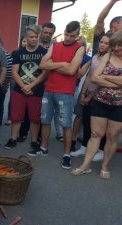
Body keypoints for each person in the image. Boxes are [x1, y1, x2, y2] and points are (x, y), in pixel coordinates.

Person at [30, 21, 85, 170]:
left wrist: (53, 64)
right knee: (45, 120)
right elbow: (42, 64)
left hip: (66, 92)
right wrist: (63, 64)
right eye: (66, 34)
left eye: (72, 36)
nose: (68, 38)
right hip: (49, 89)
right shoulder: (55, 45)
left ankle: (66, 155)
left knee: (66, 124)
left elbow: (71, 70)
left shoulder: (80, 47)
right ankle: (43, 148)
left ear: (77, 35)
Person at [71, 31, 122, 178]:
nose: (116, 48)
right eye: (114, 45)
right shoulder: (107, 56)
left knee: (112, 137)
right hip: (100, 102)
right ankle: (85, 165)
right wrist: (116, 82)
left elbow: (100, 77)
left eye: (119, 45)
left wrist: (105, 76)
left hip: (119, 106)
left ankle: (104, 167)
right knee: (95, 134)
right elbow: (94, 78)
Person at [4, 25, 47, 150]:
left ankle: (34, 141)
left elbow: (45, 73)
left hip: (37, 90)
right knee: (16, 117)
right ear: (26, 38)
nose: (34, 39)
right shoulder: (18, 53)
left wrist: (31, 86)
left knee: (35, 118)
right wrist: (24, 86)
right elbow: (14, 72)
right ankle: (13, 139)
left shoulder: (44, 53)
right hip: (19, 90)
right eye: (31, 37)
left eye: (36, 37)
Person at [71, 34, 112, 161]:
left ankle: (100, 150)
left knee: (99, 126)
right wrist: (83, 94)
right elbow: (89, 77)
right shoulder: (95, 57)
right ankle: (84, 147)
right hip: (88, 93)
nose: (102, 45)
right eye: (101, 42)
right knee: (86, 121)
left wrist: (89, 97)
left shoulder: (109, 60)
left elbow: (100, 81)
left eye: (106, 43)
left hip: (98, 96)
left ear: (110, 46)